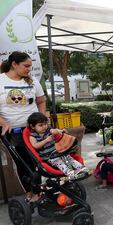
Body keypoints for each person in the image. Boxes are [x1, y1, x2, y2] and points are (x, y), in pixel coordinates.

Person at [0, 51, 45, 203]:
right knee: (23, 163)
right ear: (14, 64)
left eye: (30, 66)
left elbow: (41, 101)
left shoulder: (32, 81)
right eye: (26, 66)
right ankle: (30, 192)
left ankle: (38, 191)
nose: (29, 70)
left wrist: (42, 120)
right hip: (13, 132)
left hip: (33, 130)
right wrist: (4, 123)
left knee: (37, 161)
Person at [27, 112, 89, 178]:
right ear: (32, 126)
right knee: (60, 163)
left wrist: (60, 131)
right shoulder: (33, 136)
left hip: (59, 152)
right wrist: (46, 140)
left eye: (45, 124)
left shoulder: (48, 130)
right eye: (40, 125)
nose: (44, 127)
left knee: (69, 159)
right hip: (49, 157)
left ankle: (82, 169)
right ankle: (70, 173)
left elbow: (54, 130)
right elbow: (35, 146)